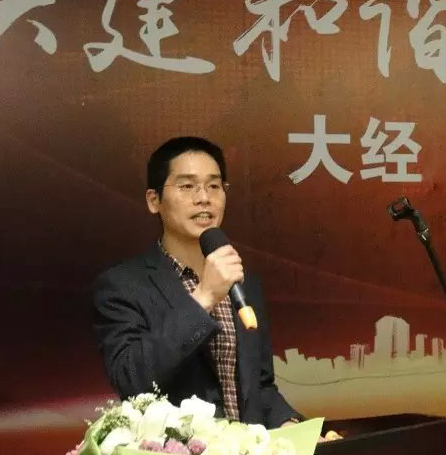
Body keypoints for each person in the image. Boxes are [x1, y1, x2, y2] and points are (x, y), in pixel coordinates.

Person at [91, 136, 302, 428]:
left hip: (247, 454)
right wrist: (204, 297)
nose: (204, 198)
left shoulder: (243, 282)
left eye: (214, 186)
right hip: (178, 454)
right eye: (187, 186)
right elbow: (131, 379)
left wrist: (292, 425)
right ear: (154, 200)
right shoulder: (123, 285)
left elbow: (260, 386)